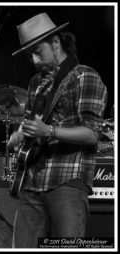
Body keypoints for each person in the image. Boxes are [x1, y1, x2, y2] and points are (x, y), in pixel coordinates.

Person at [8, 13, 108, 248]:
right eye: (29, 55)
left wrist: (49, 131)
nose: (34, 60)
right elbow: (32, 126)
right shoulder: (36, 83)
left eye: (38, 51)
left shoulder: (85, 76)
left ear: (55, 43)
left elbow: (92, 134)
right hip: (31, 182)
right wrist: (19, 136)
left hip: (67, 182)